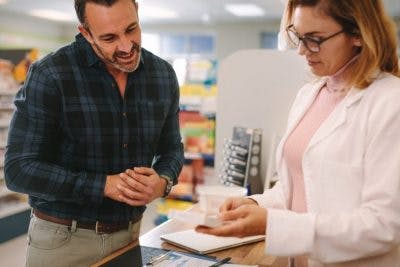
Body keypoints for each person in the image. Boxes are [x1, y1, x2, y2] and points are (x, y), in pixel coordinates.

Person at [196, 0, 400, 266]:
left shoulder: (390, 102)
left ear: (358, 35)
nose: (302, 51)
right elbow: (295, 188)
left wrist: (273, 224)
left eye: (315, 39)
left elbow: (383, 225)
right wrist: (256, 206)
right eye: (298, 36)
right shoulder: (309, 95)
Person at [4, 0, 184, 266]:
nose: (125, 46)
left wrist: (163, 180)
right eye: (109, 37)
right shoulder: (51, 74)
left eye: (131, 29)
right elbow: (19, 170)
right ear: (85, 32)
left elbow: (172, 148)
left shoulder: (162, 75)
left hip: (132, 237)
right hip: (63, 241)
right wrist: (102, 185)